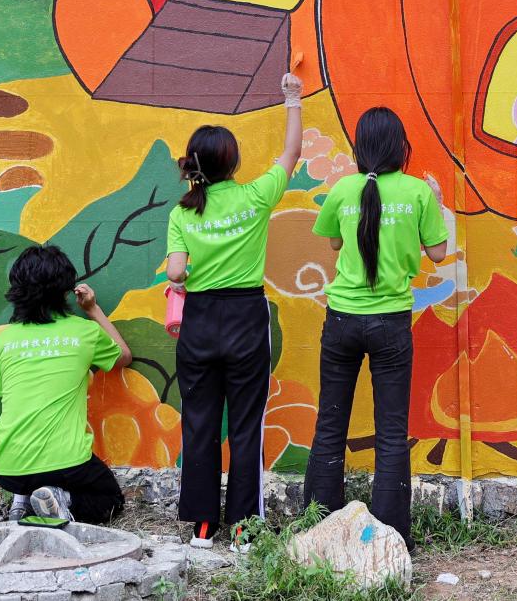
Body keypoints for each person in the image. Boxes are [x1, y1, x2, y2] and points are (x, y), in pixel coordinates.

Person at [166, 73, 302, 549]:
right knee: (246, 424)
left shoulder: (183, 213)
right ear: (233, 162)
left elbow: (176, 274)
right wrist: (292, 100)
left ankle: (203, 525)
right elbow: (291, 155)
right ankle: (245, 528)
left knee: (200, 423)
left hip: (201, 323)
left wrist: (182, 271)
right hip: (246, 319)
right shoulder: (255, 197)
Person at [303, 106, 448, 549]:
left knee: (330, 425)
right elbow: (439, 253)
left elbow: (333, 242)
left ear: (360, 147)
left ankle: (320, 533)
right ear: (400, 147)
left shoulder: (343, 189)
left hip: (342, 319)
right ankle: (388, 541)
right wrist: (436, 203)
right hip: (391, 323)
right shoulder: (418, 193)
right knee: (390, 431)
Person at [0, 245, 131, 524]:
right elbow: (123, 356)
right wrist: (92, 309)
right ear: (66, 290)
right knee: (110, 501)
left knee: (29, 458)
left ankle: (24, 496)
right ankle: (60, 499)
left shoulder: (3, 340)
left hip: (5, 466)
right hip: (65, 464)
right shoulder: (84, 332)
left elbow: (7, 400)